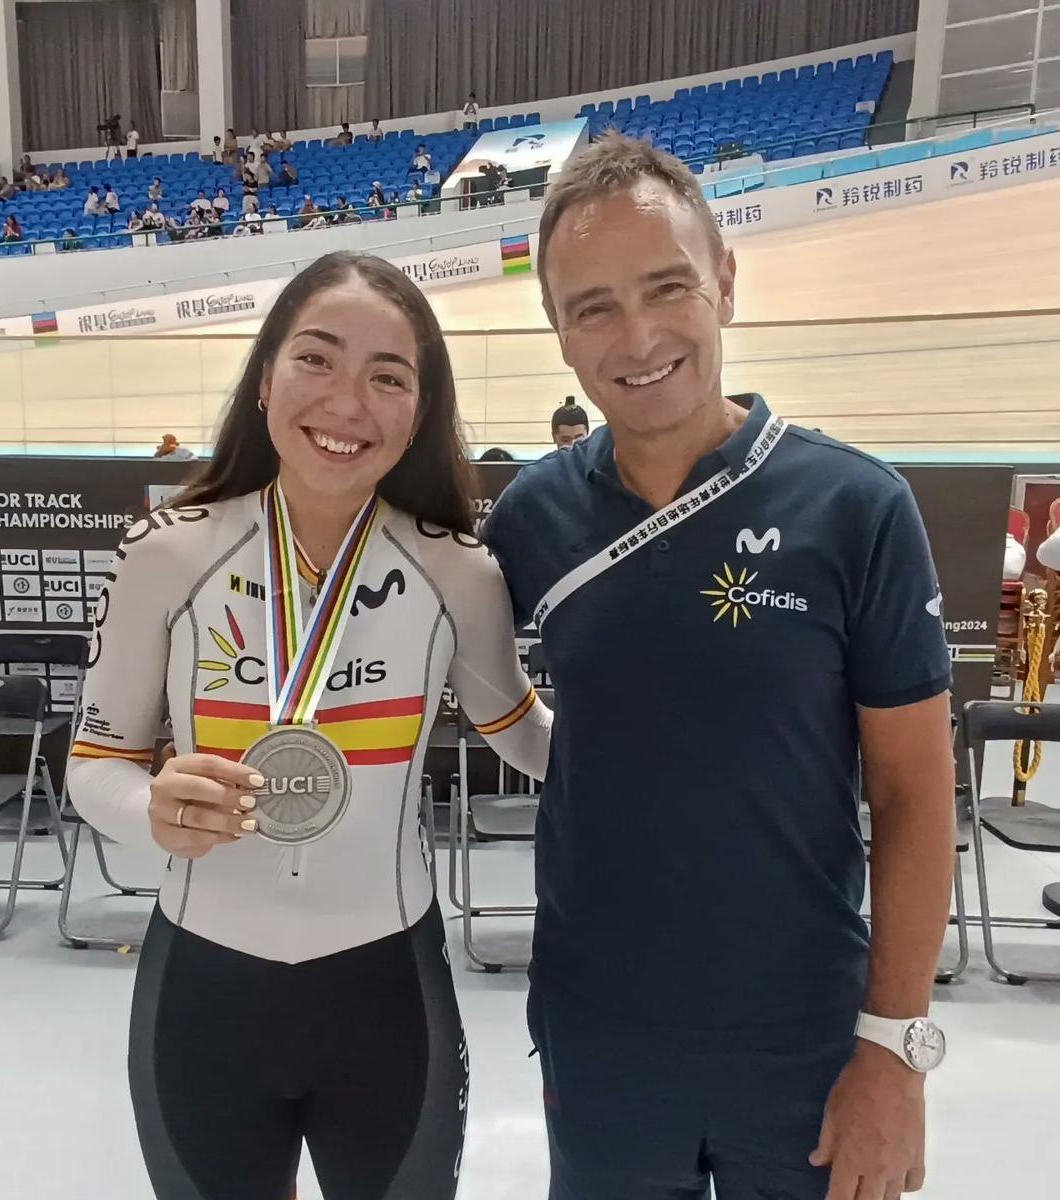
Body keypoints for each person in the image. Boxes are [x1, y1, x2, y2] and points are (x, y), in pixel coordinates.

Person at [482, 133, 955, 1200]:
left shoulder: (857, 508)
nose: (639, 336)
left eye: (668, 287)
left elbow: (915, 794)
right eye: (594, 307)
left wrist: (896, 1048)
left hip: (808, 1043)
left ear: (726, 283)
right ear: (559, 332)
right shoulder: (531, 518)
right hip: (599, 1036)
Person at [68, 250, 550, 1200]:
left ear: (421, 411)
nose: (346, 402)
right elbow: (94, 763)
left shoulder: (459, 572)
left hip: (389, 996)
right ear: (264, 378)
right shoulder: (166, 554)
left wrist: (669, 752)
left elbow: (525, 737)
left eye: (388, 377)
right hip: (203, 995)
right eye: (316, 359)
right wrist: (150, 809)